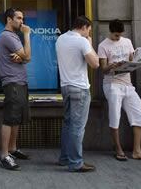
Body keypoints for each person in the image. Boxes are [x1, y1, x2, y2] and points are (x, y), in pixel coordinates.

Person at [97, 19, 141, 162]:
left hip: (128, 85)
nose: (118, 37)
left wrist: (140, 57)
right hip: (112, 84)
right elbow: (103, 70)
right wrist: (112, 66)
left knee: (138, 114)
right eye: (116, 35)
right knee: (115, 117)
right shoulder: (103, 45)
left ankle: (137, 150)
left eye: (120, 35)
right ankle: (118, 149)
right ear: (110, 31)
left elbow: (132, 59)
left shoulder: (127, 41)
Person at [55, 15, 99, 172]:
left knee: (68, 124)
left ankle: (65, 158)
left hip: (65, 86)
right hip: (79, 87)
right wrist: (90, 45)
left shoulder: (61, 39)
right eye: (89, 30)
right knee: (78, 127)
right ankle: (76, 162)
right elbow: (95, 63)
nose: (89, 33)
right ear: (84, 27)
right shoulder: (82, 41)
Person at [0, 8, 32, 171]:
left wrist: (22, 57)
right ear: (9, 20)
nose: (21, 21)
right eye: (18, 18)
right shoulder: (7, 36)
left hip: (20, 82)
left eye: (22, 18)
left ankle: (12, 149)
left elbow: (26, 58)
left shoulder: (13, 36)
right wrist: (27, 35)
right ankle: (4, 156)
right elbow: (28, 56)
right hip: (12, 83)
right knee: (10, 119)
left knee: (16, 118)